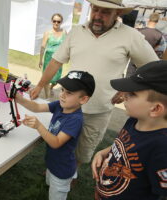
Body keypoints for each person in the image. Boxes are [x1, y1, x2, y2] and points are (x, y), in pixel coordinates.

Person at [30, 0, 159, 167]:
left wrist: (127, 88)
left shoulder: (131, 36)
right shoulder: (76, 32)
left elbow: (152, 67)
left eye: (105, 12)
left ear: (117, 13)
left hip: (99, 110)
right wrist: (40, 85)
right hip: (68, 107)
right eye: (95, 9)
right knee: (59, 142)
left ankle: (70, 178)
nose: (98, 15)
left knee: (84, 149)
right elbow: (56, 61)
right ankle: (56, 172)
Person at [92, 60, 167, 199]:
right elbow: (125, 146)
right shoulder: (134, 120)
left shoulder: (161, 148)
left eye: (132, 94)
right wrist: (104, 152)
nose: (124, 94)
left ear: (155, 109)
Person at [16, 70, 95, 200]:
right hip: (53, 162)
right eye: (62, 89)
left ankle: (70, 177)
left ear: (83, 99)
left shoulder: (75, 119)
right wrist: (19, 99)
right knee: (49, 181)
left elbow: (56, 142)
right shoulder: (60, 105)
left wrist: (38, 126)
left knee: (56, 194)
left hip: (62, 170)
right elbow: (36, 107)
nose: (62, 95)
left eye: (69, 92)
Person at [127, 13, 164, 77]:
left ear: (149, 19)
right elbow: (158, 47)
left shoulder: (139, 31)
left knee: (130, 76)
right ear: (157, 21)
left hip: (135, 56)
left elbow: (131, 43)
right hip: (147, 59)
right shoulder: (159, 34)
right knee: (142, 77)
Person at [39, 13, 67, 98]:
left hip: (59, 60)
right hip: (48, 59)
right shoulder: (47, 33)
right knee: (46, 79)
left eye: (58, 21)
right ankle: (47, 97)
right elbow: (43, 47)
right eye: (54, 21)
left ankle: (51, 88)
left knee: (56, 80)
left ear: (61, 22)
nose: (56, 23)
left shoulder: (64, 32)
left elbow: (66, 46)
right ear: (52, 21)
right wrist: (40, 60)